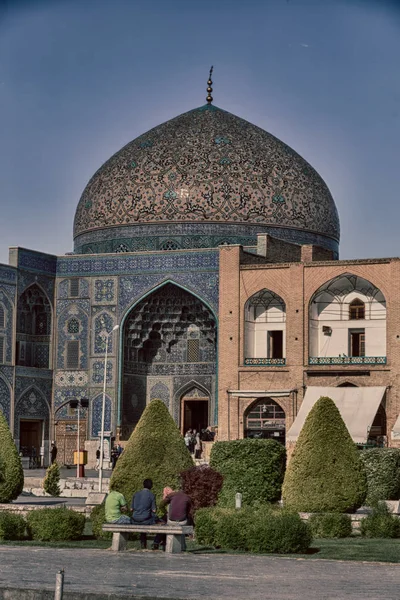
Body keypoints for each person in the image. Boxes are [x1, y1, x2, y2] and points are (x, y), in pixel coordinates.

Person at [160, 486, 191, 551]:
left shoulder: (172, 495)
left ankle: (169, 547)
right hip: (182, 521)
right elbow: (188, 510)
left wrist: (166, 512)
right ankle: (183, 547)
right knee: (181, 526)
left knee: (170, 524)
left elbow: (161, 505)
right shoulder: (187, 497)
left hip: (172, 521)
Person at [131, 479, 158, 549]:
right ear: (151, 486)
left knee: (142, 520)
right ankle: (156, 542)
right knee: (156, 519)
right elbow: (154, 510)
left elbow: (131, 509)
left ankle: (143, 544)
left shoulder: (136, 494)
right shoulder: (151, 495)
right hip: (146, 520)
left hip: (135, 520)